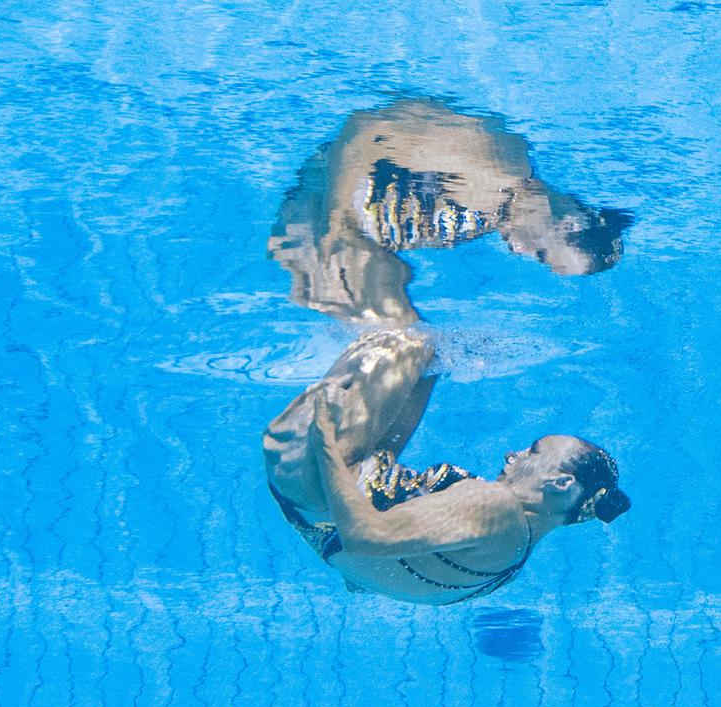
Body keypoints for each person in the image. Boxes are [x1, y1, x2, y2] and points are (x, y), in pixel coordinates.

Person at [262, 329, 630, 605]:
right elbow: (363, 576)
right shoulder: (508, 566)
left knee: (402, 334)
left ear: (560, 482)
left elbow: (364, 536)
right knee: (428, 353)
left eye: (533, 452)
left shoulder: (497, 507)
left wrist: (325, 440)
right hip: (309, 502)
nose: (512, 454)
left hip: (312, 467)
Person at [267, 99, 632, 327]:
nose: (519, 250)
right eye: (540, 252)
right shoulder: (492, 167)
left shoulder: (498, 215)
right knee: (390, 323)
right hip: (323, 197)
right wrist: (337, 221)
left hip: (347, 233)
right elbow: (366, 128)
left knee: (383, 327)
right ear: (568, 222)